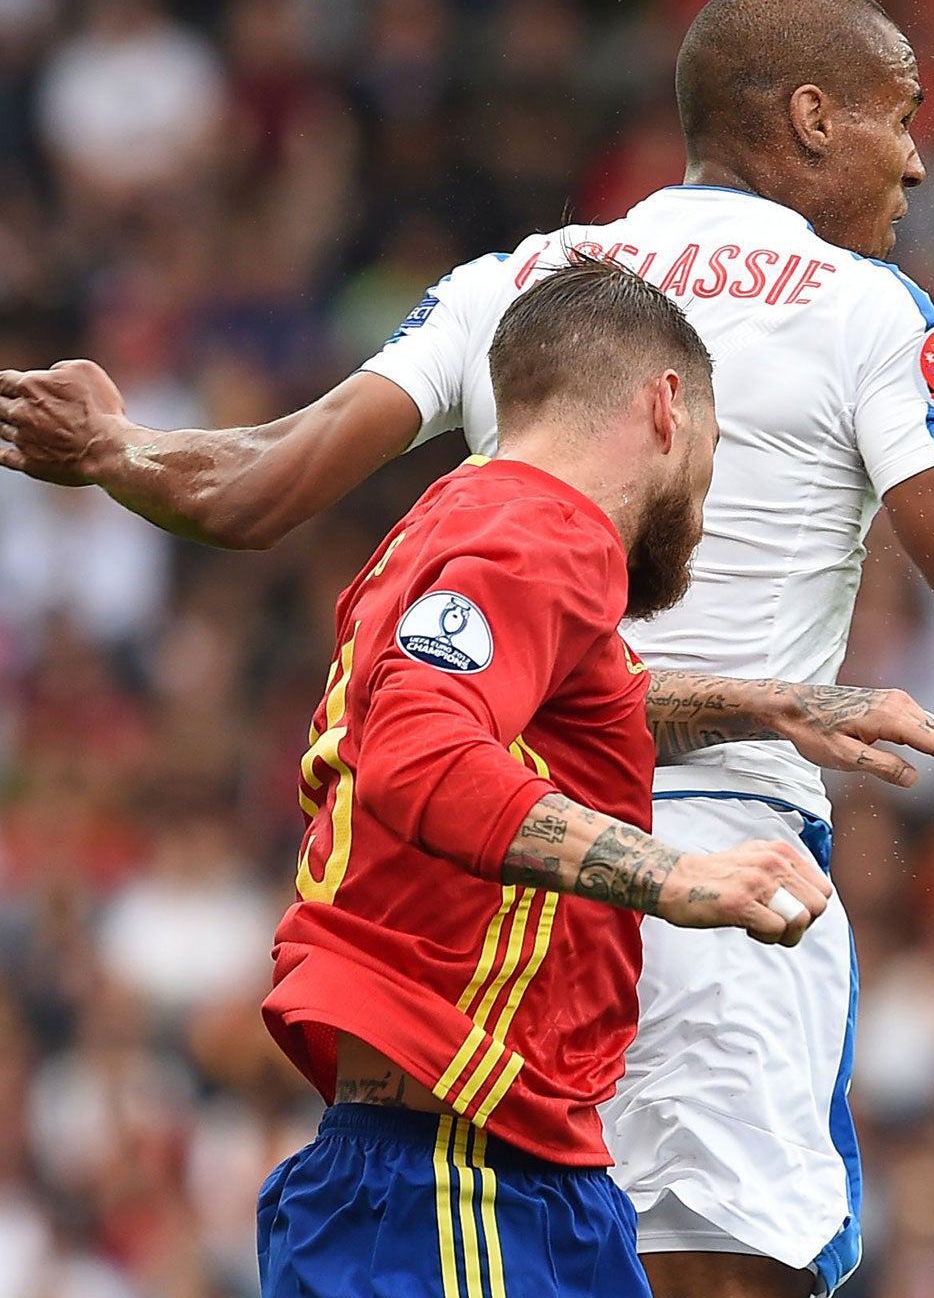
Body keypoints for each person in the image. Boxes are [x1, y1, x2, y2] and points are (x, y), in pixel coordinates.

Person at [0, 0, 934, 1298]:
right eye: (899, 117)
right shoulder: (860, 307)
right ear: (809, 119)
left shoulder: (525, 284)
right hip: (718, 872)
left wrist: (114, 446)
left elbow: (259, 484)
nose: (917, 159)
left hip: (507, 891)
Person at [257, 252, 834, 1298]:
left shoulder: (452, 526)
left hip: (492, 1167)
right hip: (455, 1180)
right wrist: (677, 876)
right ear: (668, 408)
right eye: (716, 441)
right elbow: (420, 757)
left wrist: (775, 704)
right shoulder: (547, 533)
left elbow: (581, 706)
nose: (706, 488)